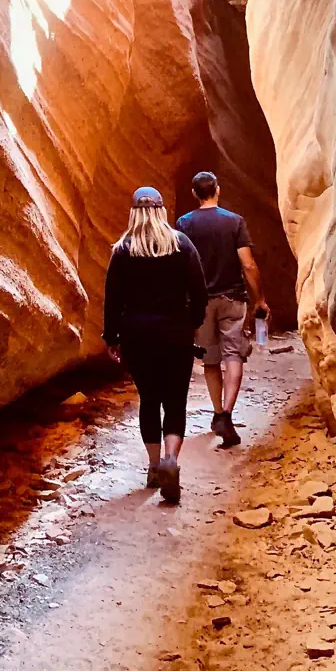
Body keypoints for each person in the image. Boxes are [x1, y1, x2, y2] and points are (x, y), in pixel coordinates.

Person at [102, 186, 208, 503]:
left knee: (149, 400)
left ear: (134, 213)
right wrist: (194, 321)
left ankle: (152, 466)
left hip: (137, 336)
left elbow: (113, 299)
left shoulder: (123, 250)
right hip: (176, 333)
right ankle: (171, 461)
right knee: (175, 401)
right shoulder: (181, 244)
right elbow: (200, 290)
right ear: (161, 211)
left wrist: (112, 337)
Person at [177, 172, 270, 449]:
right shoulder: (234, 222)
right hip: (232, 299)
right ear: (217, 189)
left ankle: (217, 411)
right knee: (234, 355)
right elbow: (249, 264)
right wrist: (260, 299)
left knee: (210, 360)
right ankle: (227, 413)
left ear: (195, 193)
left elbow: (181, 264)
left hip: (201, 301)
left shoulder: (184, 224)